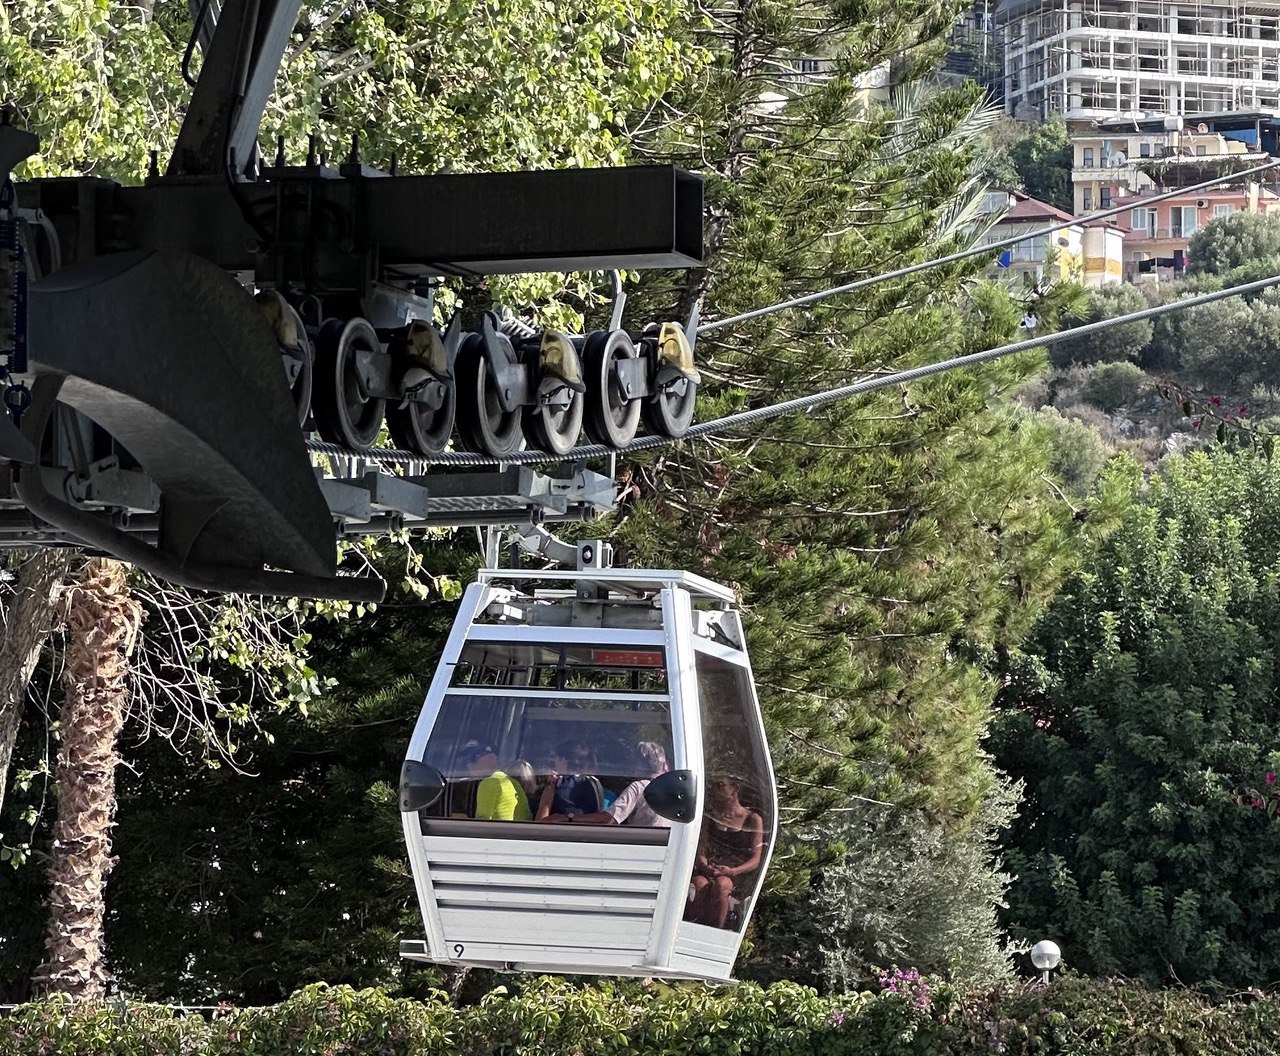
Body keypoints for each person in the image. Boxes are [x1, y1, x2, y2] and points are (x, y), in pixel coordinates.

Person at [686, 777, 764, 929]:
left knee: (722, 884)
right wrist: (705, 865)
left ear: (734, 789)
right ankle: (693, 928)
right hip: (710, 868)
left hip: (735, 874)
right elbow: (701, 848)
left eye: (720, 785)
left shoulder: (752, 819)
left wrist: (733, 871)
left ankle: (717, 930)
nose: (715, 790)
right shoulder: (711, 817)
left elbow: (755, 859)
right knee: (699, 883)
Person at [571, 742, 672, 827]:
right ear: (664, 765)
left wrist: (569, 818)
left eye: (633, 762)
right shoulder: (672, 788)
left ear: (640, 764)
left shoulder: (639, 788)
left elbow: (609, 819)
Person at [458, 742, 532, 821]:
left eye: (471, 759)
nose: (467, 765)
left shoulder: (489, 783)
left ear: (489, 759)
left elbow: (481, 823)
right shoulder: (512, 782)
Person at [536, 740, 604, 821]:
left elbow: (541, 821)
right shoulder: (592, 782)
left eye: (556, 758)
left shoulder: (563, 786)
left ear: (563, 760)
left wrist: (551, 786)